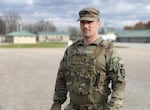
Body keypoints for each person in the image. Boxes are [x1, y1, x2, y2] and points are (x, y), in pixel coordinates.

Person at [50, 7, 126, 110]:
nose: (85, 26)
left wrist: (114, 107)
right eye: (82, 22)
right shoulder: (71, 50)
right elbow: (61, 77)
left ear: (98, 23)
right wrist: (57, 102)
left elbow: (119, 83)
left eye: (90, 22)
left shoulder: (109, 51)